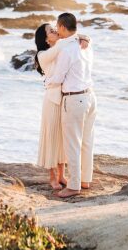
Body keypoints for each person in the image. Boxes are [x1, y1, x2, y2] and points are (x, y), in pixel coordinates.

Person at [45, 12, 97, 199]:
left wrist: (47, 82)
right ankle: (85, 180)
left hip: (74, 100)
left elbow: (58, 78)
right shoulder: (85, 46)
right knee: (87, 141)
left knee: (72, 144)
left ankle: (74, 185)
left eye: (57, 27)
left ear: (61, 27)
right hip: (90, 96)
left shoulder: (67, 50)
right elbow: (85, 39)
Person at [33, 23, 68, 191]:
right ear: (46, 39)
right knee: (52, 138)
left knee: (63, 139)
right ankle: (53, 177)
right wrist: (71, 36)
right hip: (52, 100)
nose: (55, 31)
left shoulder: (61, 49)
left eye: (55, 29)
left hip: (66, 99)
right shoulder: (43, 54)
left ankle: (62, 175)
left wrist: (85, 39)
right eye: (51, 31)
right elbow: (64, 42)